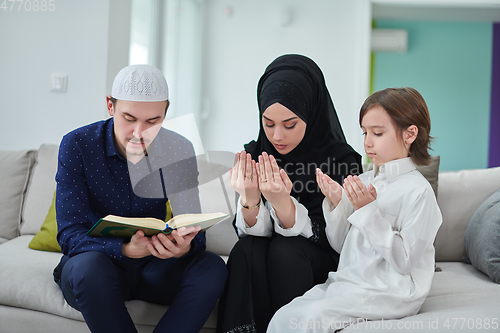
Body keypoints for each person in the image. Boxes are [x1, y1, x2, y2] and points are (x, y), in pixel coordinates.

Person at [53, 64, 227, 333]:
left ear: (165, 113)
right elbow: (68, 234)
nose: (138, 133)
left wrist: (183, 247)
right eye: (129, 117)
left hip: (154, 268)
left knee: (212, 268)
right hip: (98, 267)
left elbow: (193, 228)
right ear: (110, 106)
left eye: (152, 121)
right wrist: (123, 250)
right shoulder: (77, 144)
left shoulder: (179, 148)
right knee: (88, 268)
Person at [267, 87, 443, 332]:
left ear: (410, 133)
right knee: (283, 316)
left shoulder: (419, 192)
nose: (367, 142)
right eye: (364, 132)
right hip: (350, 282)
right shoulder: (366, 180)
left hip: (391, 291)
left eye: (378, 133)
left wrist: (367, 211)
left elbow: (404, 261)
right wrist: (338, 203)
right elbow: (341, 246)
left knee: (312, 319)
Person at [217, 54, 362, 333]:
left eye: (290, 124)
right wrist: (249, 200)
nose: (277, 136)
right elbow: (251, 234)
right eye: (268, 124)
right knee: (246, 249)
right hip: (272, 255)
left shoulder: (342, 161)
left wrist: (285, 206)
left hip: (316, 259)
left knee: (287, 249)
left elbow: (339, 241)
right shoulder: (255, 153)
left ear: (311, 113)